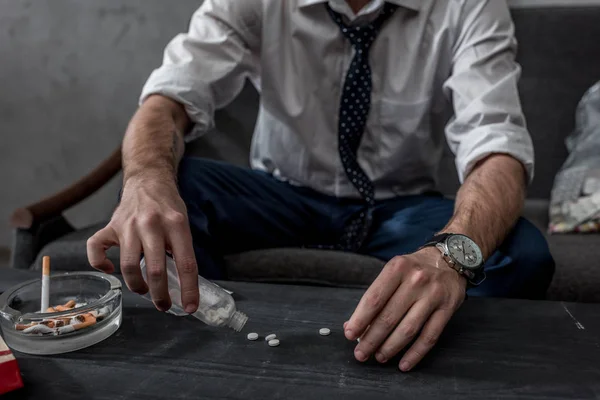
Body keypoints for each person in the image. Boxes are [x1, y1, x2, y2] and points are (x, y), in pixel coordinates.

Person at [87, 0, 555, 372]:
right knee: (173, 187)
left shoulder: (470, 5)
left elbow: (498, 149)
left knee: (519, 253)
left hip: (399, 209)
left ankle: (423, 351)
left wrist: (449, 257)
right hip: (280, 196)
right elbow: (167, 101)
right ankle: (210, 354)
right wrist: (146, 181)